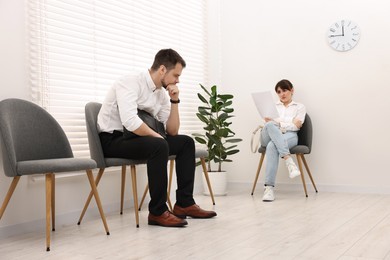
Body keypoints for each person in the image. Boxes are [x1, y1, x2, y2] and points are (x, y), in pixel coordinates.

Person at [97, 49, 217, 227]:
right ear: (162, 69)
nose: (178, 80)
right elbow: (130, 122)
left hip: (138, 139)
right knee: (159, 145)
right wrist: (159, 139)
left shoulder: (161, 93)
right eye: (176, 75)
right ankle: (157, 212)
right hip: (114, 139)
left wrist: (175, 100)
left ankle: (184, 203)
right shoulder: (129, 82)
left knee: (185, 143)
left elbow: (172, 131)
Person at [261, 79, 306, 202]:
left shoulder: (300, 107)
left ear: (292, 90)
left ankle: (269, 188)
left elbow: (296, 126)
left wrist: (278, 124)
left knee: (272, 146)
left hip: (290, 136)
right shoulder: (272, 106)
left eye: (285, 90)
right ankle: (288, 160)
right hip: (269, 134)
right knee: (270, 126)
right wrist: (283, 124)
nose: (282, 94)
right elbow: (268, 125)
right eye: (279, 92)